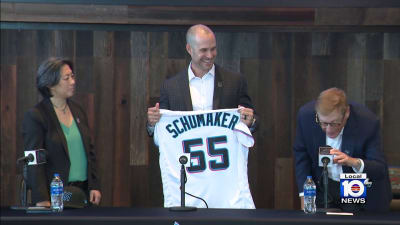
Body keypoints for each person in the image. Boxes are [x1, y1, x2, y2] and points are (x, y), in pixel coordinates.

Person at [293, 87, 392, 212]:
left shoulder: (367, 122)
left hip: (356, 186)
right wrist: (304, 194)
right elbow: (302, 155)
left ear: (347, 113)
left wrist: (352, 162)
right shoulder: (306, 116)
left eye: (334, 123)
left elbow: (379, 168)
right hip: (323, 185)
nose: (328, 129)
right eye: (323, 123)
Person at [147, 24, 257, 134]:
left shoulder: (235, 82)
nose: (209, 55)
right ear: (189, 49)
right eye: (203, 50)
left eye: (213, 49)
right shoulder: (170, 87)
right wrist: (152, 123)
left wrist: (250, 122)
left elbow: (253, 120)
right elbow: (161, 129)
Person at [22, 58, 101, 207]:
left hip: (83, 193)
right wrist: (41, 198)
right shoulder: (36, 115)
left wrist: (94, 184)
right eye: (66, 78)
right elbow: (34, 161)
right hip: (55, 195)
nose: (72, 81)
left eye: (72, 76)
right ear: (50, 84)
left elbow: (90, 152)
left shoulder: (78, 111)